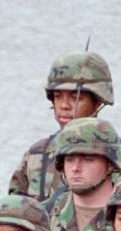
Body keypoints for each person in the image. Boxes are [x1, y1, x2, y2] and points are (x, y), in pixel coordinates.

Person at [11, 51, 115, 204]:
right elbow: (15, 212)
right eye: (58, 96)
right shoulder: (37, 154)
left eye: (75, 98)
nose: (64, 106)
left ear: (98, 101)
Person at [46, 117, 121, 231]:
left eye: (88, 159)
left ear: (110, 164)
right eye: (69, 159)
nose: (75, 168)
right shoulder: (44, 215)